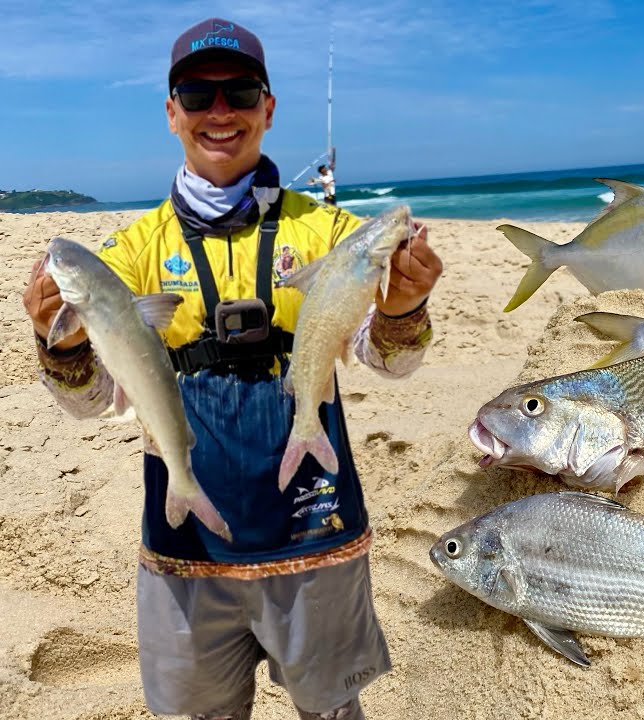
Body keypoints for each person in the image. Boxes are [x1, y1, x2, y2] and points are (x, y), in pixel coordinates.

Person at [21, 17, 442, 720]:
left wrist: (403, 307)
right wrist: (59, 345)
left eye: (240, 91)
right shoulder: (130, 251)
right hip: (185, 548)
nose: (220, 112)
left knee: (331, 707)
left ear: (268, 109)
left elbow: (386, 360)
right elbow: (93, 401)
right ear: (171, 112)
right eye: (197, 93)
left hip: (317, 528)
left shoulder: (328, 231)